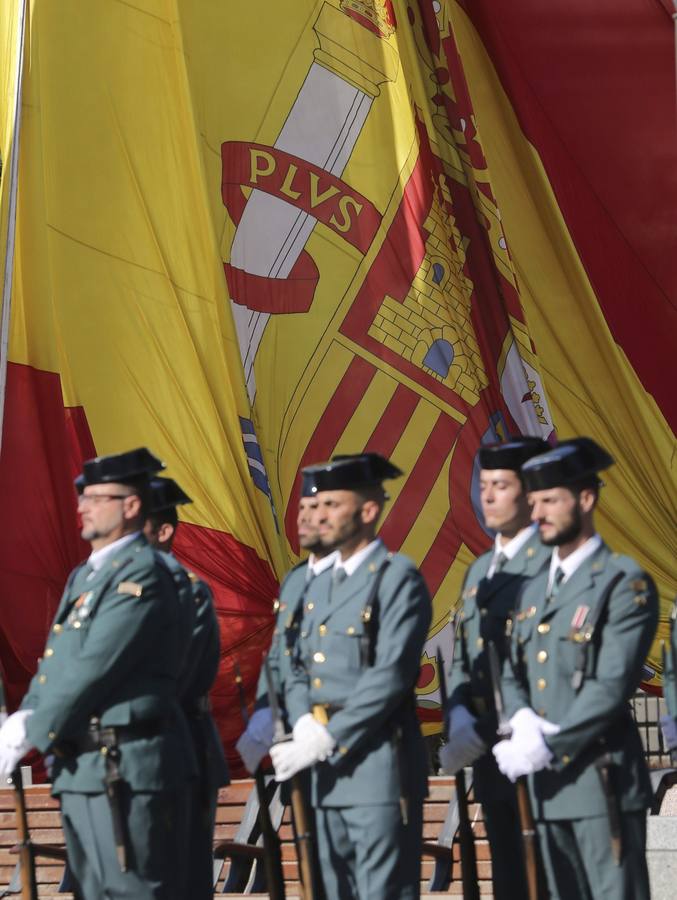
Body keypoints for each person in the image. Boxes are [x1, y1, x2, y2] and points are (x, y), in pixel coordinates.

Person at [0, 448, 196, 900]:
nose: (82, 506)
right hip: (85, 765)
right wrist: (27, 712)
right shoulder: (85, 577)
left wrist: (34, 724)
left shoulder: (144, 573)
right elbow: (57, 662)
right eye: (81, 497)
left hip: (127, 766)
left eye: (96, 497)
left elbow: (97, 663)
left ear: (131, 506)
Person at [493, 437, 658, 900]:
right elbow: (512, 670)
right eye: (533, 501)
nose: (538, 512)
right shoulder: (532, 591)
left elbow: (611, 684)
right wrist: (522, 720)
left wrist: (547, 743)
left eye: (550, 500)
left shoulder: (623, 581)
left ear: (585, 499)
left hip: (599, 782)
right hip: (545, 788)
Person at [271, 453, 432, 900]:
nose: (318, 516)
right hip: (319, 767)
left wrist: (328, 735)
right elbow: (295, 663)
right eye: (314, 506)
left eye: (331, 506)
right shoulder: (312, 583)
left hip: (377, 765)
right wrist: (304, 721)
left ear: (368, 511)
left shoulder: (396, 577)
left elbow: (391, 673)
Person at [442, 435, 550, 900]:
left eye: (500, 485)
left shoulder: (552, 563)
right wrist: (459, 714)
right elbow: (465, 657)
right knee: (507, 883)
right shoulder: (479, 571)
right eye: (484, 484)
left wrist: (485, 726)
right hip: (490, 757)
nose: (486, 495)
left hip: (542, 754)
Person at [143, 475, 229, 900]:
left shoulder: (188, 594)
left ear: (163, 532)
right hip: (120, 762)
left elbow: (176, 681)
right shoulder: (96, 592)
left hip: (177, 754)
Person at [236, 470, 337, 773]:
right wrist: (265, 712)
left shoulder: (377, 576)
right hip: (298, 743)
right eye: (302, 508)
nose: (304, 517)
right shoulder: (295, 580)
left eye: (316, 508)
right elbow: (280, 657)